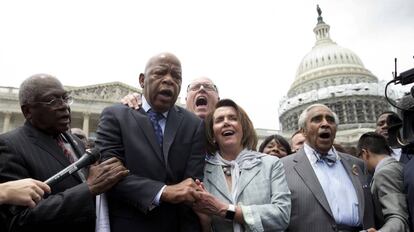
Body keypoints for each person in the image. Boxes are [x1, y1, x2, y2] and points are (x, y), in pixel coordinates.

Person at [0, 74, 129, 232]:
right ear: (27, 111)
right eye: (52, 101)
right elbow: (17, 221)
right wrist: (87, 189)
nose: (64, 106)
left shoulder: (77, 142)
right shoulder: (9, 146)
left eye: (65, 98)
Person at [96, 52, 206, 232]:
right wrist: (163, 192)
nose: (169, 80)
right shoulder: (115, 116)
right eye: (160, 73)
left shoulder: (193, 124)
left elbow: (192, 182)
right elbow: (109, 176)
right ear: (142, 80)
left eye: (176, 76)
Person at [192, 99, 291, 231]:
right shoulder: (203, 171)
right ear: (213, 135)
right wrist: (205, 222)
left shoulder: (271, 164)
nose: (226, 122)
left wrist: (225, 210)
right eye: (219, 120)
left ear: (243, 129)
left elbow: (282, 216)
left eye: (233, 118)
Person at [281, 103, 374, 232]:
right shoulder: (283, 167)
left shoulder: (357, 164)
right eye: (317, 119)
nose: (325, 124)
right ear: (303, 130)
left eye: (330, 120)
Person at [357, 132, 409, 232]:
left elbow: (398, 218)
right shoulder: (400, 166)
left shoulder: (384, 173)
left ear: (365, 153)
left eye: (358, 156)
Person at [121, 76, 220, 119]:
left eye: (208, 87)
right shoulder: (167, 122)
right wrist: (139, 100)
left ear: (218, 100)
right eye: (195, 87)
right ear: (186, 101)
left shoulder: (230, 131)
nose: (201, 89)